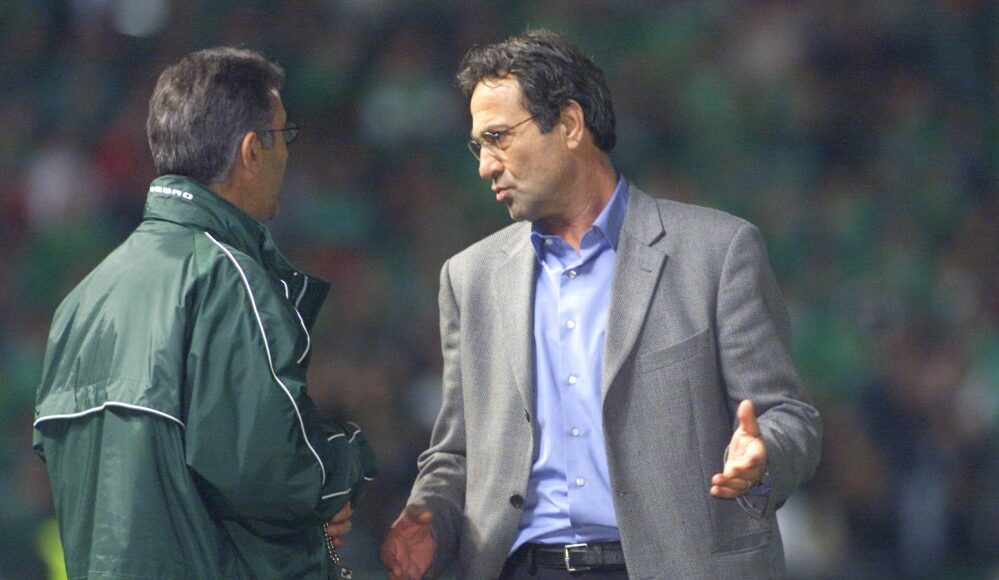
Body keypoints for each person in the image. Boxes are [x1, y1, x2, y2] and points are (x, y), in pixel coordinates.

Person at [381, 29, 821, 579]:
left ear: (569, 124)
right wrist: (426, 520)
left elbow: (788, 417)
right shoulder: (469, 278)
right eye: (479, 145)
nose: (486, 166)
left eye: (498, 138)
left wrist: (763, 456)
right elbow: (457, 455)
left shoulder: (716, 252)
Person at [32, 47, 377, 579]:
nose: (288, 153)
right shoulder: (226, 278)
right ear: (251, 150)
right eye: (284, 134)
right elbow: (272, 476)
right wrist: (346, 457)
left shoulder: (80, 304)